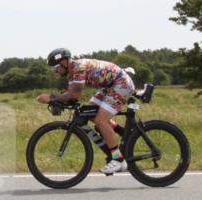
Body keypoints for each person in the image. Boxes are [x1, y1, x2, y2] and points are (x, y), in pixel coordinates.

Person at [36, 47, 135, 175]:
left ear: (64, 62)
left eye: (55, 67)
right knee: (89, 113)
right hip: (110, 86)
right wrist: (57, 101)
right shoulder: (72, 72)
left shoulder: (78, 69)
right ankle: (124, 132)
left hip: (121, 85)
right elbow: (71, 94)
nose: (55, 71)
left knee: (101, 121)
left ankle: (118, 159)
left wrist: (51, 98)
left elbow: (73, 95)